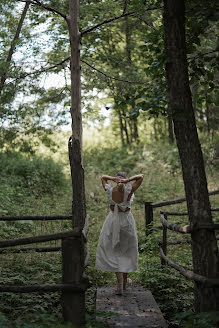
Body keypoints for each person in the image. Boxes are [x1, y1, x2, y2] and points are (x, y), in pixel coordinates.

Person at [95, 171, 144, 295]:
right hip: (127, 222)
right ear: (126, 179)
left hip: (112, 222)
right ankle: (125, 282)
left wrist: (112, 178)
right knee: (126, 250)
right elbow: (140, 177)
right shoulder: (129, 190)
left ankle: (120, 285)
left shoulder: (110, 190)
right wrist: (127, 181)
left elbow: (103, 177)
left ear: (116, 180)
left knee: (116, 251)